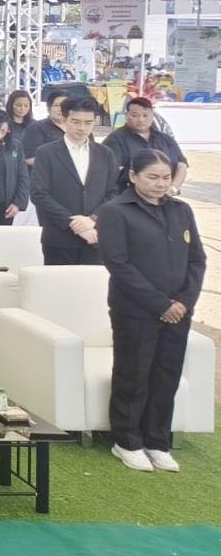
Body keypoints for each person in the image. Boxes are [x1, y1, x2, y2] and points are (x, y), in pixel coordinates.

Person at [97, 151, 206, 473]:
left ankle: (157, 441)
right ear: (133, 176)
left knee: (166, 376)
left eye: (166, 177)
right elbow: (118, 264)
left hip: (179, 311)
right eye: (152, 177)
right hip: (135, 310)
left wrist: (183, 302)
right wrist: (161, 304)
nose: (160, 184)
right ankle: (127, 441)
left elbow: (197, 260)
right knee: (133, 375)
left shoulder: (181, 210)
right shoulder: (115, 211)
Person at [30, 96, 119, 265]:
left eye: (88, 122)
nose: (82, 128)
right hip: (59, 238)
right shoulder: (46, 153)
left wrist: (93, 219)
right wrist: (73, 223)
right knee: (59, 282)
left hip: (95, 236)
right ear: (64, 120)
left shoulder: (105, 154)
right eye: (76, 122)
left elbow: (113, 193)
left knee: (93, 282)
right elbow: (39, 194)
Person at [105, 97, 189, 193]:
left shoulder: (165, 139)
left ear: (152, 116)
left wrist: (173, 188)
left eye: (145, 115)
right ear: (126, 115)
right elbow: (110, 172)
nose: (141, 120)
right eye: (135, 115)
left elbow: (181, 165)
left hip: (164, 194)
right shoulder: (115, 140)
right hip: (128, 196)